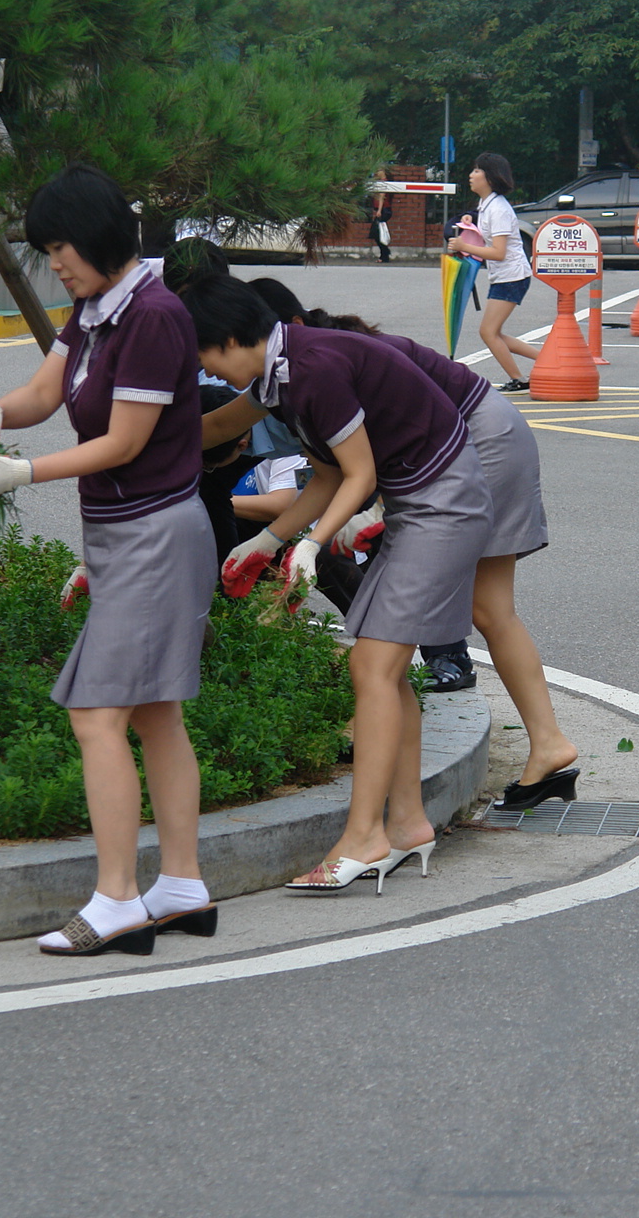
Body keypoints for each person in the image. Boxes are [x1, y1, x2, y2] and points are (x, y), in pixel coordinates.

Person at [0, 164, 217, 955]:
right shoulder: (96, 309)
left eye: (61, 246)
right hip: (128, 533)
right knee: (153, 712)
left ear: (101, 237)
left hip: (156, 536)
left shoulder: (154, 315)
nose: (55, 263)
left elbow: (126, 441)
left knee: (95, 713)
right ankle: (182, 886)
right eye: (47, 250)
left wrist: (21, 472)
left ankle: (118, 900)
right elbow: (46, 389)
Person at [184, 274, 491, 892]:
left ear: (235, 338)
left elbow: (357, 473)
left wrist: (309, 544)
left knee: (372, 668)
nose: (209, 371)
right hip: (420, 500)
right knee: (383, 667)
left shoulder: (310, 368)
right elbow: (319, 473)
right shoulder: (282, 372)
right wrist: (267, 541)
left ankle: (363, 837)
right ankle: (404, 826)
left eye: (207, 355)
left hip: (442, 502)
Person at [447, 153, 535, 393]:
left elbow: (498, 252)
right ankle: (549, 359)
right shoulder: (487, 206)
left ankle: (520, 378)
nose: (471, 175)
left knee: (488, 332)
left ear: (490, 177)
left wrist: (464, 246)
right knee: (494, 333)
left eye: (477, 171)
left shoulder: (498, 208)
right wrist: (471, 221)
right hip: (505, 276)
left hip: (512, 276)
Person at [367, 168, 393, 264]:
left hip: (384, 210)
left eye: (378, 170)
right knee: (377, 233)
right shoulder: (380, 182)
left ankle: (385, 254)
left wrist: (379, 210)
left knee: (377, 233)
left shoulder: (383, 182)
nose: (376, 172)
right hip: (384, 210)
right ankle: (385, 253)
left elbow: (382, 197)